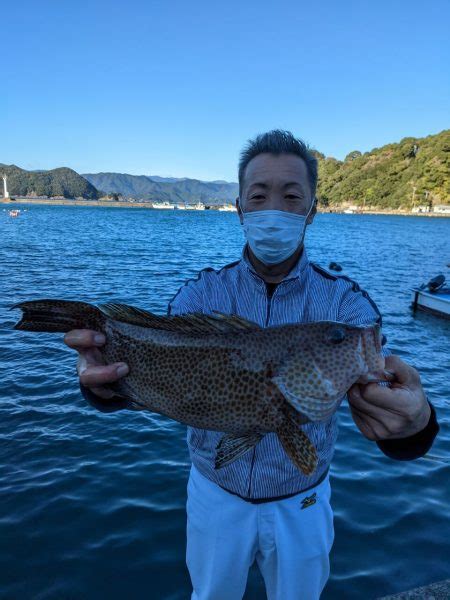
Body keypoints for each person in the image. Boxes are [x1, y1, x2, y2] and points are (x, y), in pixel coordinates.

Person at [64, 130, 439, 600]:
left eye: (291, 196)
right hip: (213, 494)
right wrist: (101, 386)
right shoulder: (199, 296)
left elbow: (393, 418)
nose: (273, 210)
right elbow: (155, 382)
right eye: (259, 196)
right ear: (240, 210)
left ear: (311, 211)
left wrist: (417, 423)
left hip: (303, 500)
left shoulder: (348, 307)